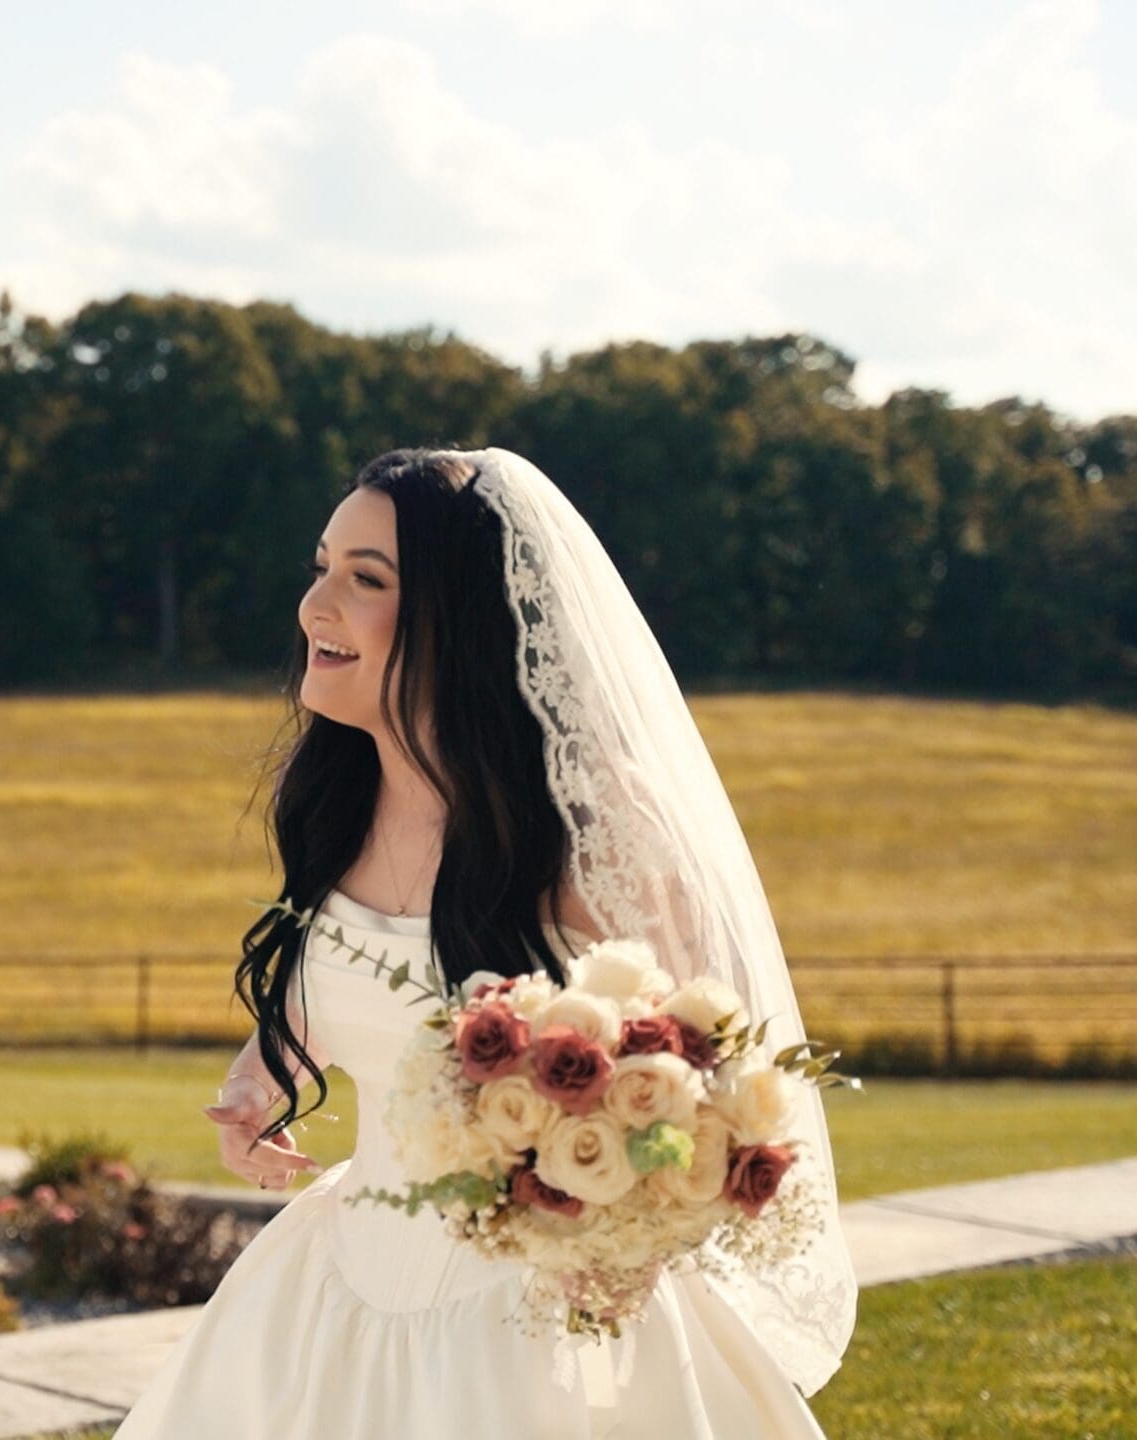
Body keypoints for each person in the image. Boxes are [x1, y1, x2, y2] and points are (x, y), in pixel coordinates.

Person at [115, 448, 856, 1438]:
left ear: (458, 618)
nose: (313, 606)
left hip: (548, 1337)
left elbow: (710, 1085)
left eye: (364, 579)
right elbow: (355, 980)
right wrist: (264, 1067)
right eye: (320, 567)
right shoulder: (338, 799)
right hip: (336, 1296)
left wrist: (621, 1223)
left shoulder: (595, 826)